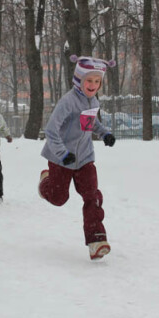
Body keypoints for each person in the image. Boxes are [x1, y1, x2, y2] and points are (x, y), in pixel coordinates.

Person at [38, 55, 117, 261]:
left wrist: (104, 133)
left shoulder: (93, 100)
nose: (93, 85)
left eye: (97, 81)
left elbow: (92, 123)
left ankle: (96, 241)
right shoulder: (68, 102)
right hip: (62, 158)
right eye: (89, 80)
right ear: (79, 80)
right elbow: (51, 130)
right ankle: (45, 183)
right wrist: (62, 153)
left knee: (92, 195)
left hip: (84, 158)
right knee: (58, 198)